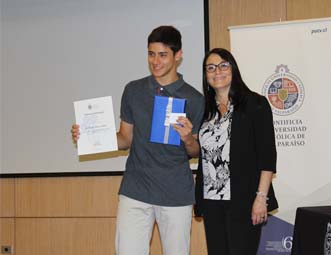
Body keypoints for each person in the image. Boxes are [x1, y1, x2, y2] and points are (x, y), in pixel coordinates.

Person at [71, 26, 204, 255]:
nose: (155, 61)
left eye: (163, 55)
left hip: (175, 192)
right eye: (151, 54)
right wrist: (90, 136)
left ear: (178, 55)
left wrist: (187, 139)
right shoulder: (133, 90)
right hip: (135, 189)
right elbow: (125, 139)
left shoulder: (194, 98)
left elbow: (195, 151)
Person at [193, 48, 278, 255]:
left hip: (244, 199)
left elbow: (267, 156)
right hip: (212, 201)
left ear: (233, 69)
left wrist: (261, 198)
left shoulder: (255, 104)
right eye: (210, 68)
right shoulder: (205, 110)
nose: (217, 72)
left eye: (223, 65)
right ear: (206, 75)